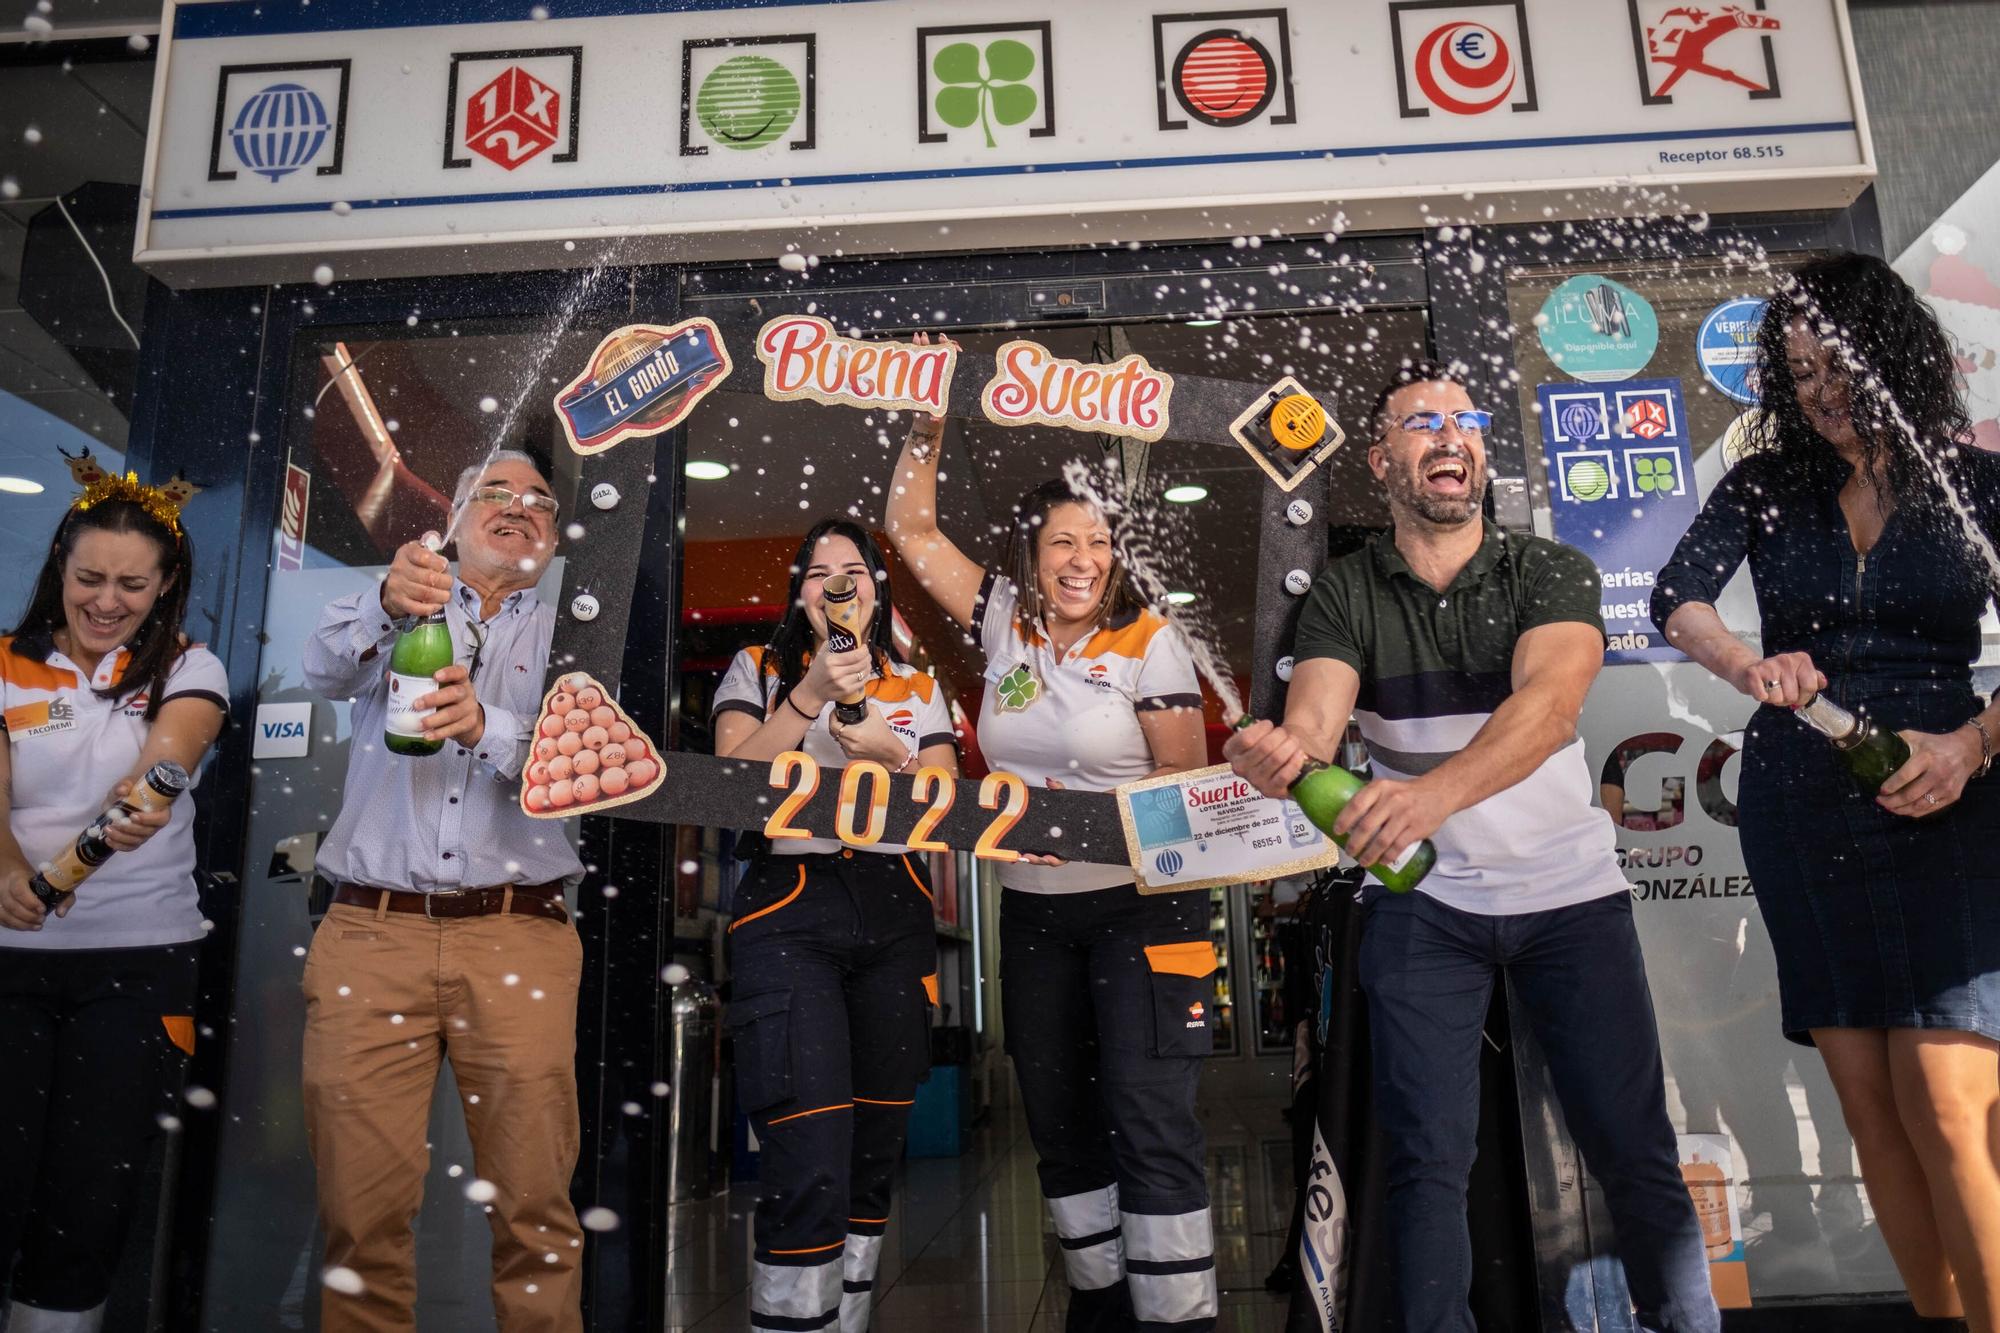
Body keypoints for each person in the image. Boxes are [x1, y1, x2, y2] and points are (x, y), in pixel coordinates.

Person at [1226, 362, 1719, 1333]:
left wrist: (1416, 801)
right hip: (1423, 912)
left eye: (1463, 419)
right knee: (1424, 1159)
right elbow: (1318, 726)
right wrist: (1280, 753)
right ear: (1381, 460)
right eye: (1419, 422)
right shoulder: (1342, 592)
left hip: (1569, 902)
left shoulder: (1545, 572)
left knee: (1630, 1145)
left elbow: (1544, 714)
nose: (1448, 434)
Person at [1654, 253, 2000, 1330]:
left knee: (1947, 1103)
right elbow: (1677, 598)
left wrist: (1972, 742)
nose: (1818, 390)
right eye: (1797, 373)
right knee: (1869, 1108)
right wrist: (1745, 664)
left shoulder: (1973, 482)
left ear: (1893, 356)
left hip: (1946, 788)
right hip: (1802, 793)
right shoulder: (1766, 485)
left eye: (1835, 364)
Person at [886, 374, 1215, 1332]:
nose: (1084, 559)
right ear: (1030, 552)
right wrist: (926, 430)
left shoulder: (1151, 643)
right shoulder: (1005, 624)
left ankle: (1179, 1318)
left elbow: (1183, 799)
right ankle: (1101, 1310)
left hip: (1142, 910)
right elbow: (911, 532)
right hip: (1033, 914)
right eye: (1064, 541)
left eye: (1100, 542)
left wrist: (1078, 816)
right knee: (1062, 1124)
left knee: (1150, 1121)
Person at [300, 449, 586, 1333]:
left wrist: (489, 726)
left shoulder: (577, 629)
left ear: (555, 534)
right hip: (369, 931)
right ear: (453, 518)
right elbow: (320, 669)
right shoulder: (401, 601)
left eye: (539, 501)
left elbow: (593, 765)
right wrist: (388, 601)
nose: (519, 508)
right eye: (495, 494)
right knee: (360, 1216)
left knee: (535, 1211)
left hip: (520, 935)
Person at [710, 518, 959, 1333]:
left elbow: (943, 804)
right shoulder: (759, 667)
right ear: (800, 592)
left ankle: (842, 1321)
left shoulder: (919, 688)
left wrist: (889, 751)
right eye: (820, 573)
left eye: (854, 569)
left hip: (893, 910)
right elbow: (729, 781)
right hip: (789, 909)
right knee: (808, 1151)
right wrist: (810, 695)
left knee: (872, 1154)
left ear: (878, 589)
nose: (838, 583)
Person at [0, 475, 227, 1333]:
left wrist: (144, 799)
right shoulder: (4, 659)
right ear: (61, 564)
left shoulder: (188, 664)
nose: (107, 601)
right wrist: (8, 871)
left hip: (138, 966)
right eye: (90, 577)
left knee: (88, 1201)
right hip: (8, 958)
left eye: (132, 584)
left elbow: (176, 747)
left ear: (166, 582)